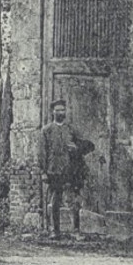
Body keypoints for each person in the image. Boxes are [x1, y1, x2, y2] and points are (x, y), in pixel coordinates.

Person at [41, 99, 93, 237]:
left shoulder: (71, 129)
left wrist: (77, 148)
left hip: (70, 170)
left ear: (65, 112)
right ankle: (54, 231)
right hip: (54, 170)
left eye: (62, 110)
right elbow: (42, 153)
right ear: (53, 112)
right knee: (55, 200)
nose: (60, 112)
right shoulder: (47, 130)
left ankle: (76, 230)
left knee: (73, 201)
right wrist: (44, 172)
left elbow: (87, 145)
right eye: (57, 110)